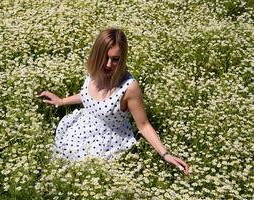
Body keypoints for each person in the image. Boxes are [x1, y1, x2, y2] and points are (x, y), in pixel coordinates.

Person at [36, 27, 190, 175]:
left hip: (105, 140)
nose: (109, 64)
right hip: (82, 126)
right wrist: (62, 101)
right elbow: (87, 96)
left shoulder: (129, 87)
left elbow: (143, 125)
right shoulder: (94, 72)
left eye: (115, 59)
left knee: (79, 170)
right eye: (105, 58)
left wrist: (165, 155)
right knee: (56, 162)